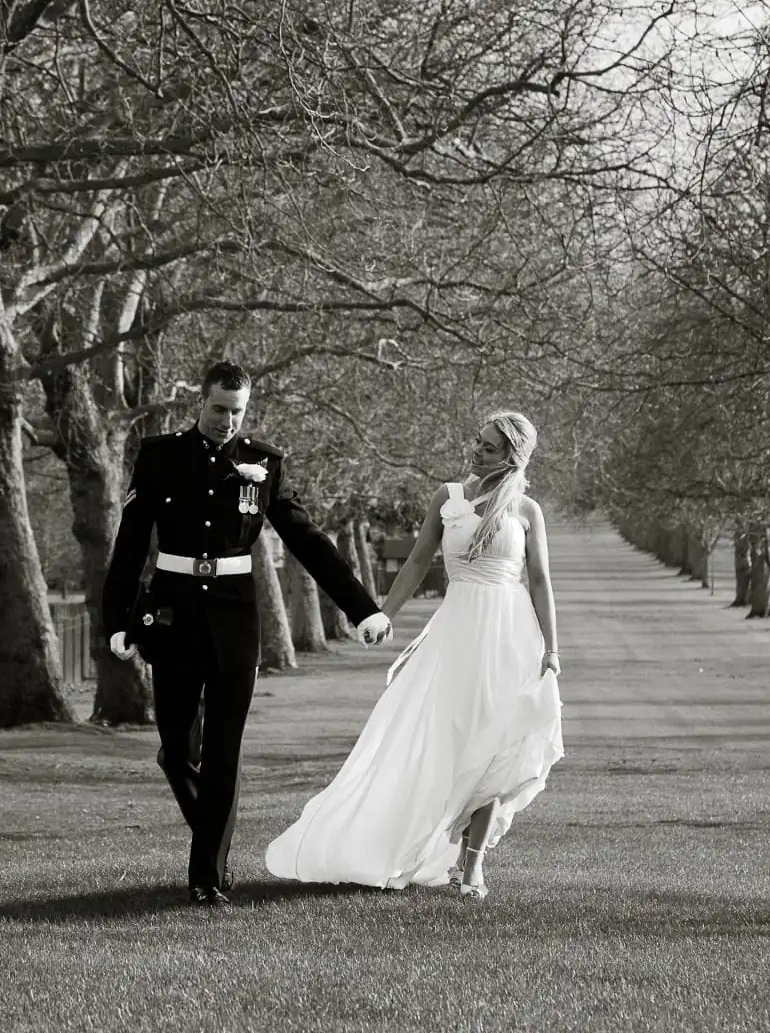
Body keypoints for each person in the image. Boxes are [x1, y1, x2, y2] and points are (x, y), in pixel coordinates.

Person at [104, 361, 391, 906]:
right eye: (218, 409)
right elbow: (130, 544)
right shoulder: (160, 457)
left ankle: (207, 876)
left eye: (237, 412)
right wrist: (116, 620)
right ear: (199, 404)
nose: (227, 421)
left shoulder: (264, 462)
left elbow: (308, 541)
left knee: (224, 751)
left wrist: (362, 610)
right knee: (175, 744)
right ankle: (209, 825)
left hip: (236, 618)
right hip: (173, 613)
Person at [264, 410, 563, 900]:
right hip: (457, 632)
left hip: (510, 635)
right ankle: (418, 841)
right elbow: (420, 558)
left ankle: (472, 865)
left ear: (511, 456)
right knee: (447, 742)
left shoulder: (527, 510)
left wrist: (552, 649)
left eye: (488, 447)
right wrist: (380, 614)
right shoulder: (450, 497)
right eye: (477, 441)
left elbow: (540, 580)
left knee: (497, 745)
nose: (476, 451)